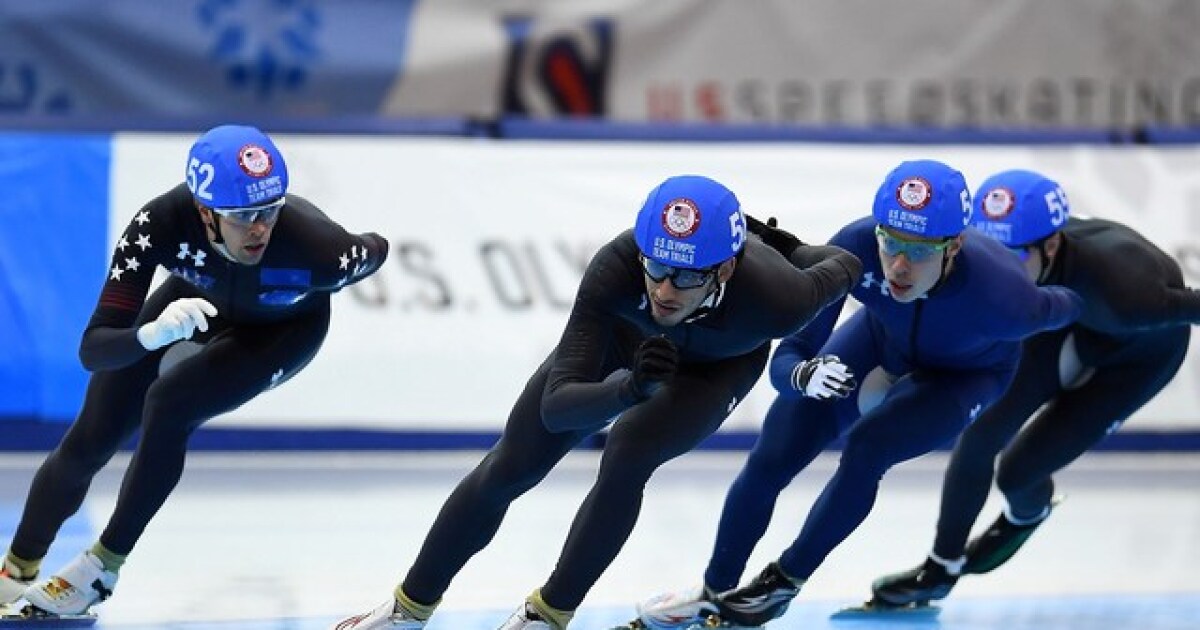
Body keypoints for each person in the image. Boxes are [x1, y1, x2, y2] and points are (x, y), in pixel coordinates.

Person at [328, 174, 863, 630]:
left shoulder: (780, 299)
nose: (665, 290)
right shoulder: (617, 267)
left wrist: (775, 241)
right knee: (511, 464)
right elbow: (558, 408)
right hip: (625, 350)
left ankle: (549, 614)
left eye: (687, 275)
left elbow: (845, 262)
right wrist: (628, 388)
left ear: (725, 269)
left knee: (629, 451)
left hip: (716, 370)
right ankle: (408, 609)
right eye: (656, 266)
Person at [629, 160, 1085, 629]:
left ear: (955, 246)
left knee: (870, 446)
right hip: (878, 339)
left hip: (967, 376)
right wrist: (803, 376)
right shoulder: (855, 246)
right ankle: (716, 588)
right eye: (891, 243)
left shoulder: (1006, 296)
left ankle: (784, 580)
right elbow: (792, 352)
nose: (900, 266)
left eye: (919, 250)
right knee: (778, 444)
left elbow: (1071, 304)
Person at [0, 125, 389, 616]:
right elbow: (94, 350)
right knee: (90, 438)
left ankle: (102, 567)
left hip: (281, 335)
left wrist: (352, 260)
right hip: (192, 304)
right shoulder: (158, 225)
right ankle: (16, 571)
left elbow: (377, 247)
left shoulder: (320, 250)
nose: (260, 228)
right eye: (243, 215)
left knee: (169, 403)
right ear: (204, 212)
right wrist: (147, 336)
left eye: (270, 210)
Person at [867, 169, 1200, 608]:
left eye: (1015, 256)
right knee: (980, 432)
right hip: (1061, 321)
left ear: (1052, 245)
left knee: (1018, 473)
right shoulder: (1022, 270)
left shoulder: (1127, 290)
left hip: (1137, 359)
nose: (1001, 270)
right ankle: (940, 569)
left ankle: (1028, 512)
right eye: (991, 252)